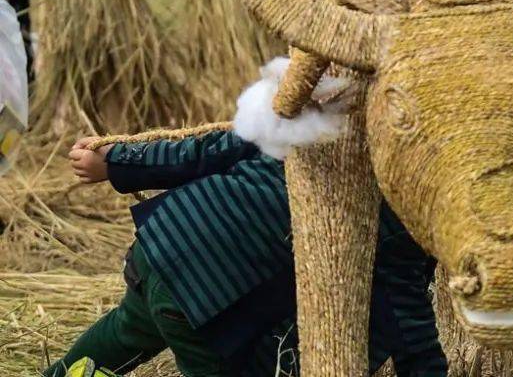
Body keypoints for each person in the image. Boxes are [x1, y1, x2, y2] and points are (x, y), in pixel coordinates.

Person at [49, 128, 447, 377]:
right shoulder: (407, 210)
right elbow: (407, 320)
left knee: (126, 331)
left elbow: (211, 149)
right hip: (209, 296)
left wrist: (116, 163)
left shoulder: (323, 117)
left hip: (164, 243)